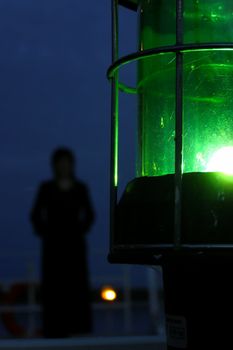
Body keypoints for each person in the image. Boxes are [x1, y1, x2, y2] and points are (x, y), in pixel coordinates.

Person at [31, 148, 94, 338]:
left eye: (67, 162)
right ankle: (53, 328)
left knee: (76, 286)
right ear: (55, 165)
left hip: (75, 248)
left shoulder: (80, 188)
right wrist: (46, 233)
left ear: (71, 164)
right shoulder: (46, 188)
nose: (64, 166)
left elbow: (90, 214)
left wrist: (78, 231)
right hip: (52, 248)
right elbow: (35, 215)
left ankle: (78, 328)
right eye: (60, 162)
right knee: (53, 288)